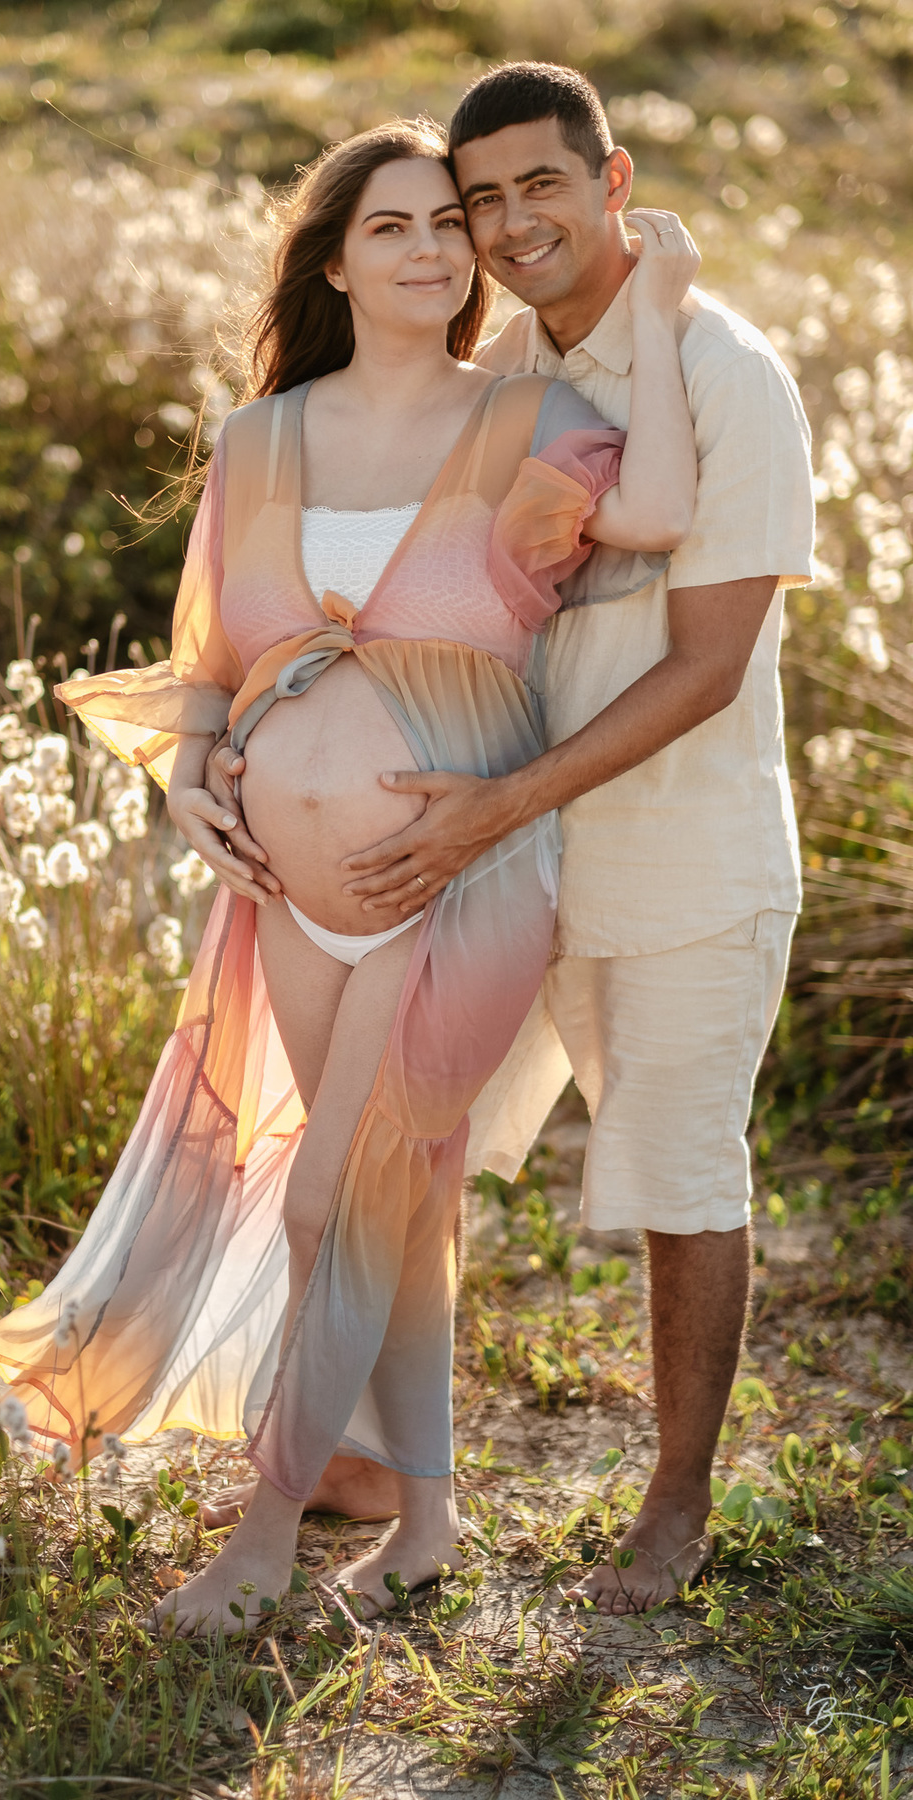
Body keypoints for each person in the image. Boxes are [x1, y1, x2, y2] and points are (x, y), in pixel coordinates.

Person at [0, 116, 699, 1636]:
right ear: (335, 256)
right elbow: (210, 666)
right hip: (289, 894)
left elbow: (660, 516)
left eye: (453, 222)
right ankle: (428, 1517)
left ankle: (257, 1540)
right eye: (395, 226)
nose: (438, 247)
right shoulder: (260, 440)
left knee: (330, 1195)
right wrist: (189, 777)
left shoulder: (529, 417)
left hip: (464, 868)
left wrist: (673, 306)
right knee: (392, 1194)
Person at [204, 65, 815, 1616]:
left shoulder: (718, 366)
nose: (506, 222)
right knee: (414, 1165)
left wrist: (491, 803)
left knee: (678, 1175)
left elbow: (707, 665)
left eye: (540, 186)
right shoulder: (508, 371)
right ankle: (388, 1478)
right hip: (503, 862)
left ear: (612, 183)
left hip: (669, 853)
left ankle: (672, 1505)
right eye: (484, 200)